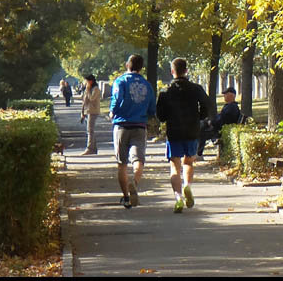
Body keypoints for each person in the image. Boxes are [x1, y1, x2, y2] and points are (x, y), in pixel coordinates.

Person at [155, 58, 210, 213]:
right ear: (186, 71)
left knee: (174, 167)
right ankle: (187, 185)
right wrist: (199, 116)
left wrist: (167, 117)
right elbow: (207, 104)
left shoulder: (166, 92)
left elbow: (160, 115)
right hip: (192, 130)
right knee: (189, 162)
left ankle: (178, 198)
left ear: (172, 71)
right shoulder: (196, 88)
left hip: (174, 132)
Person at [110, 54, 155, 209]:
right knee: (138, 160)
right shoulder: (147, 85)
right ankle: (134, 182)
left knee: (122, 163)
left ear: (127, 65)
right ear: (141, 67)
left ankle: (126, 197)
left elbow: (117, 98)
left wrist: (112, 111)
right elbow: (151, 108)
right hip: (139, 125)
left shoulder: (120, 81)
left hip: (122, 125)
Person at [197, 86, 242, 158]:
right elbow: (221, 118)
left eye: (225, 94)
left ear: (231, 95)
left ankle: (198, 154)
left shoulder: (231, 107)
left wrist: (211, 123)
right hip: (219, 128)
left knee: (202, 132)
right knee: (201, 125)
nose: (224, 96)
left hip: (219, 130)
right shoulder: (230, 106)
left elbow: (222, 120)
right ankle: (197, 153)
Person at [79, 74, 102, 155]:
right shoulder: (87, 89)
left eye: (87, 81)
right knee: (90, 130)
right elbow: (84, 101)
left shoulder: (96, 89)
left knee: (90, 130)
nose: (86, 82)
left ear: (91, 81)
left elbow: (92, 98)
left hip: (93, 111)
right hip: (87, 111)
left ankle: (89, 148)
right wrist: (82, 112)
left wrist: (88, 90)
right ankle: (94, 148)